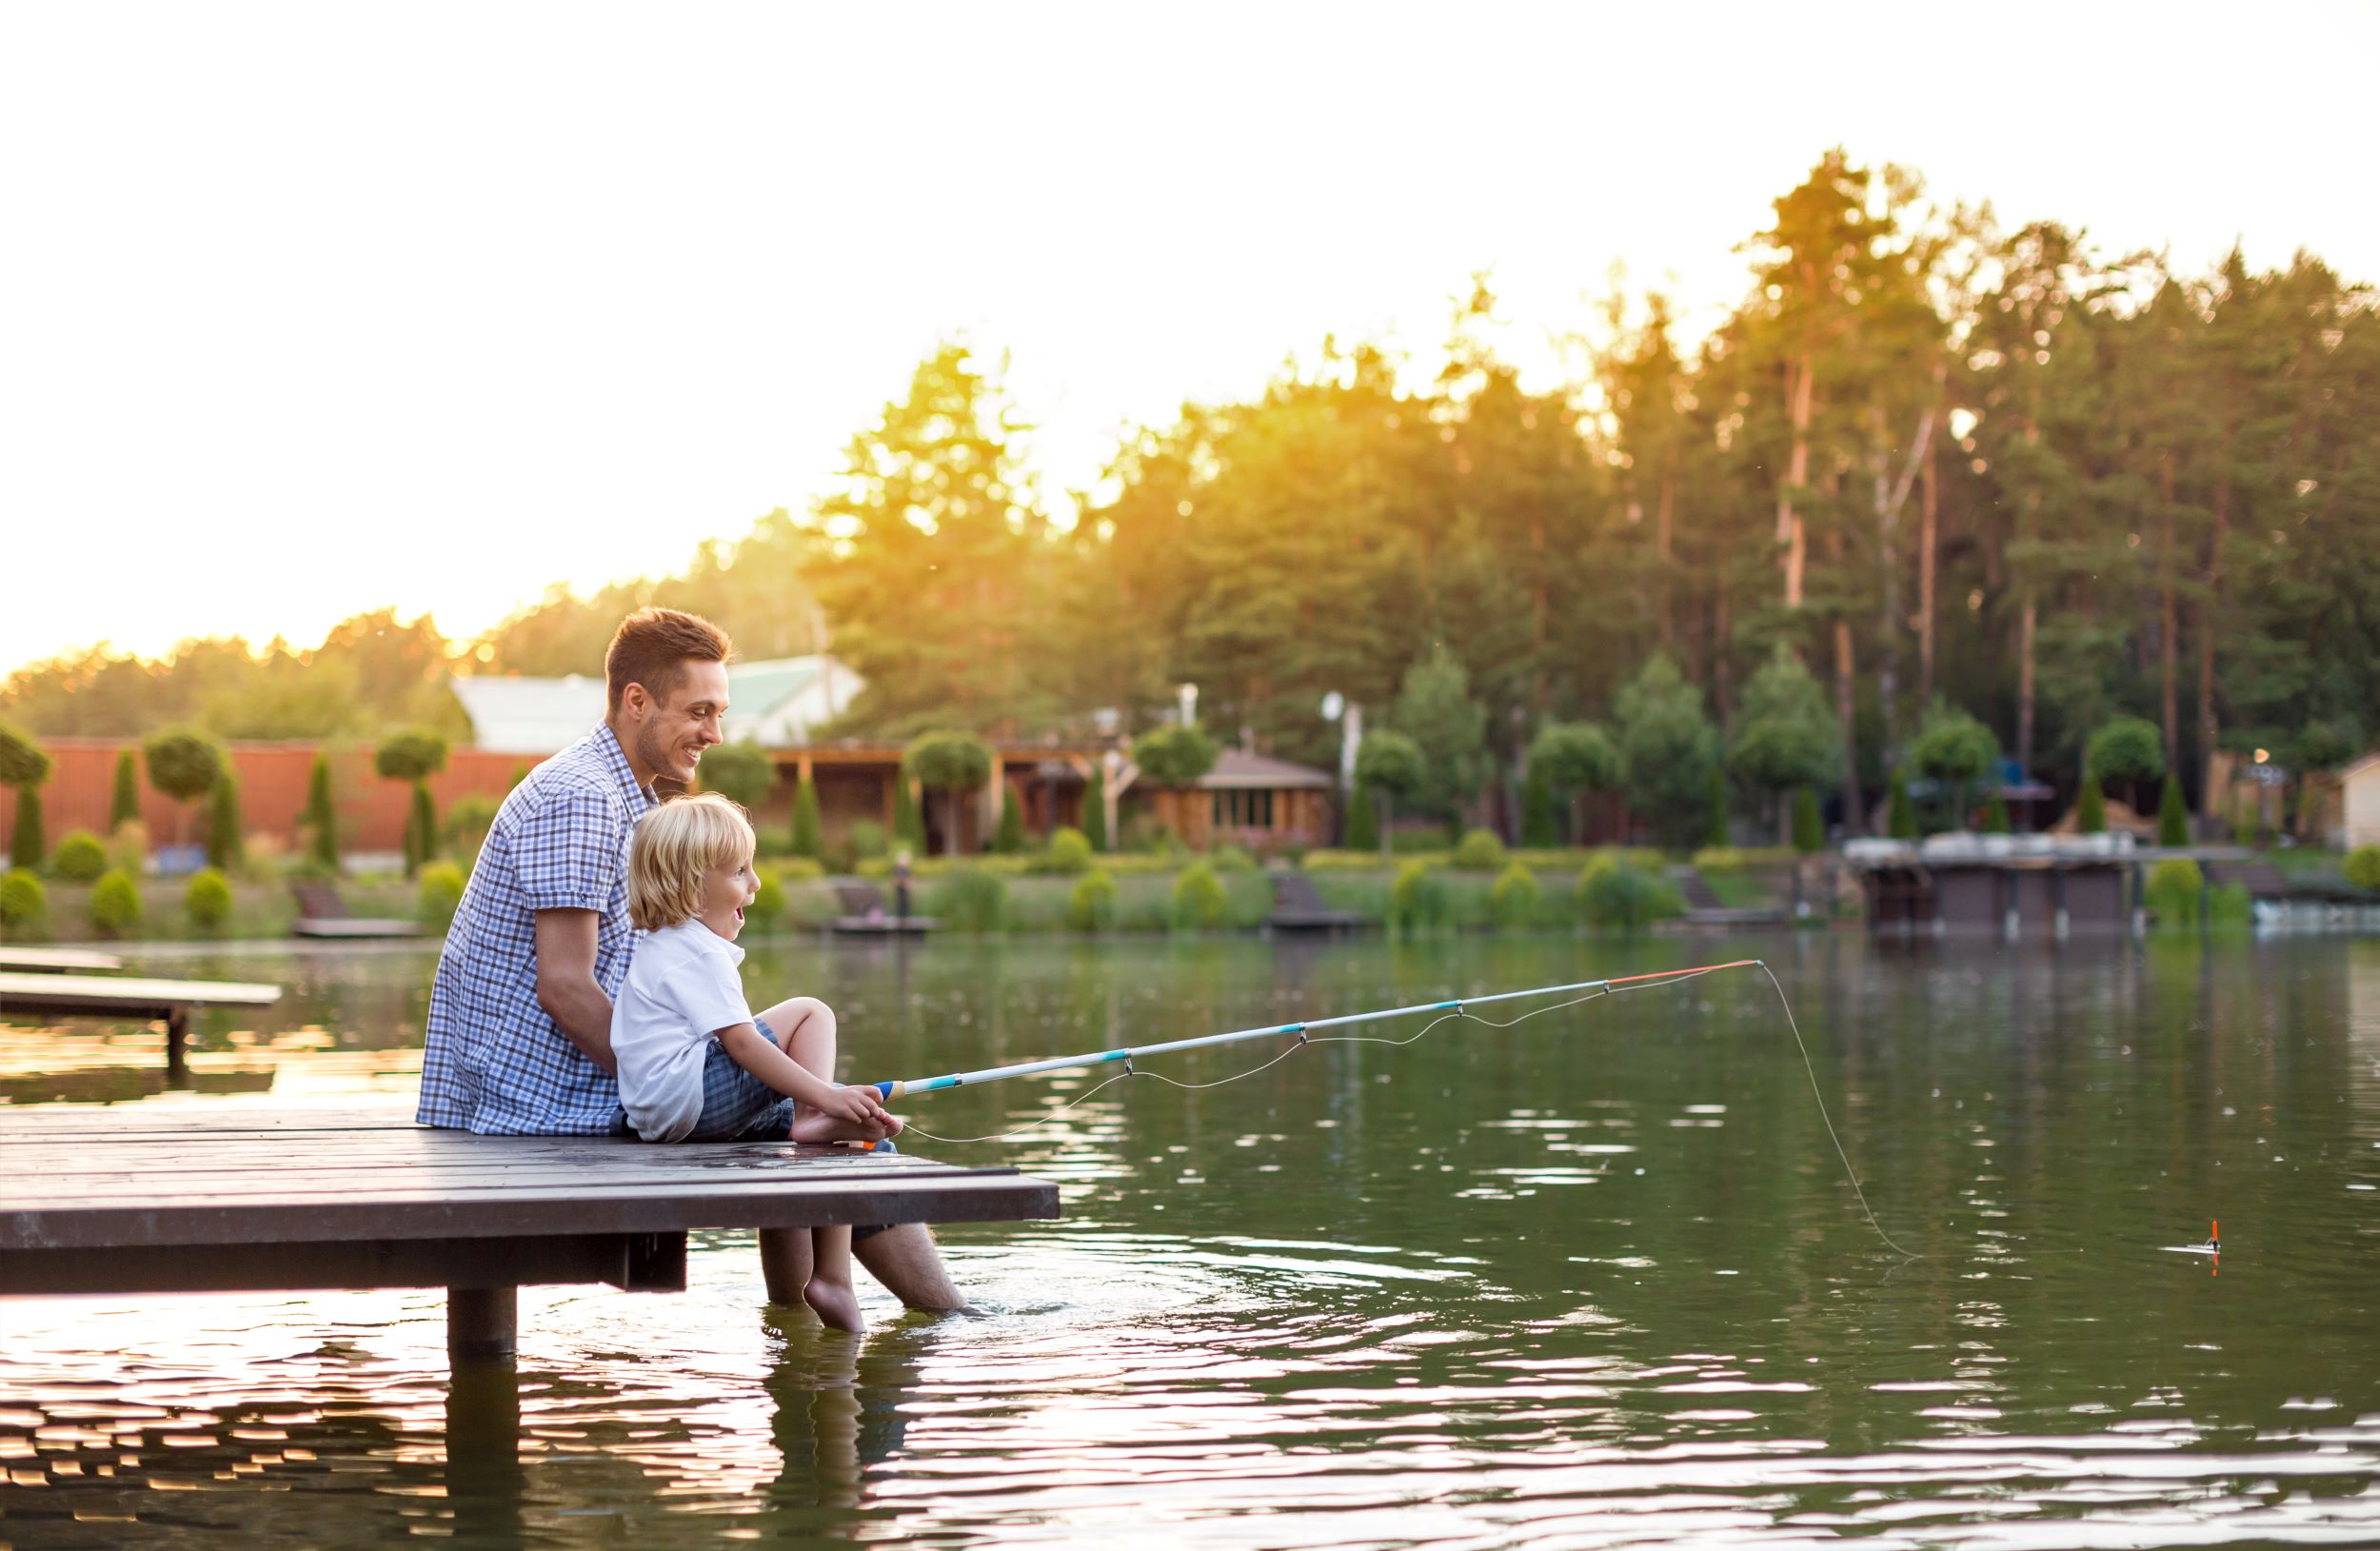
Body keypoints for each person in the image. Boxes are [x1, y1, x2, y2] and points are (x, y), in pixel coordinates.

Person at [416, 606, 963, 1312]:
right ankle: (949, 1317)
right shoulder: (582, 798)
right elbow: (564, 988)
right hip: (537, 1102)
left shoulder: (628, 797)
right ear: (635, 700)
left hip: (573, 1082)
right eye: (698, 710)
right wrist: (681, 1073)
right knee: (840, 1129)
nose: (714, 732)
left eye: (720, 712)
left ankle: (795, 1333)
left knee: (799, 1100)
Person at [614, 791, 897, 1329]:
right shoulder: (696, 950)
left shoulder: (659, 946)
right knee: (811, 1013)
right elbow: (743, 1045)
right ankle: (831, 1272)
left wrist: (832, 1106)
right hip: (692, 1100)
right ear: (692, 885)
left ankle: (831, 1273)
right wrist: (824, 1095)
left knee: (856, 1138)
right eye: (740, 871)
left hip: (670, 1116)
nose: (756, 883)